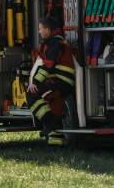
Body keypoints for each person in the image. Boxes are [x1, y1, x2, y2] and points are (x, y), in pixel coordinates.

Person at [26, 16, 76, 145]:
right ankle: (55, 137)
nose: (39, 32)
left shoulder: (54, 43)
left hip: (61, 82)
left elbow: (47, 65)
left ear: (48, 29)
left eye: (40, 29)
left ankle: (50, 123)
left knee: (32, 94)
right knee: (52, 103)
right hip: (62, 82)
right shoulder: (56, 42)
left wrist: (34, 83)